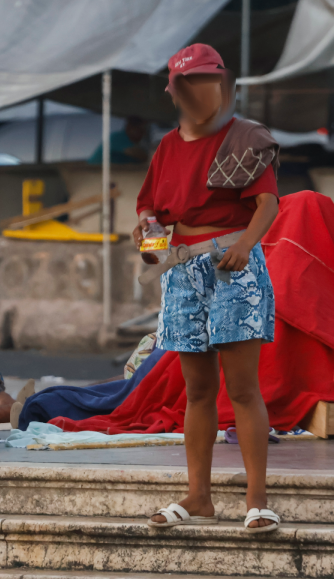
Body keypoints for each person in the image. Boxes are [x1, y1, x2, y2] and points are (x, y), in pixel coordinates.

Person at [134, 44, 280, 532]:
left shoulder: (243, 138)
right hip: (181, 270)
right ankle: (199, 496)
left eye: (207, 81)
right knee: (197, 391)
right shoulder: (167, 147)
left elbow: (267, 204)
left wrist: (246, 244)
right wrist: (148, 239)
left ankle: (256, 500)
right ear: (175, 92)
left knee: (241, 388)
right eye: (187, 83)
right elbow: (151, 211)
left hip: (233, 266)